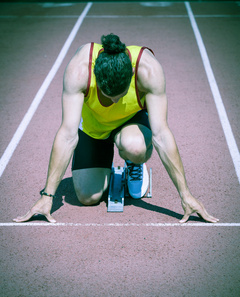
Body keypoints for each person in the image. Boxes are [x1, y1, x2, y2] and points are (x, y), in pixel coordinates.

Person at [13, 34, 219, 224]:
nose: (114, 100)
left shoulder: (148, 70)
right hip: (94, 128)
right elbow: (67, 134)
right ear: (96, 75)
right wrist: (47, 196)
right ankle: (103, 167)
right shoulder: (79, 70)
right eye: (108, 95)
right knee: (87, 197)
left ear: (130, 76)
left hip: (132, 124)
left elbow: (162, 135)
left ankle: (134, 162)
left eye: (119, 95)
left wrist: (186, 195)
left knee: (135, 147)